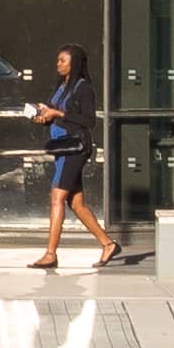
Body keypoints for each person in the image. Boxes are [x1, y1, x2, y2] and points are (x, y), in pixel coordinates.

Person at [28, 44, 118, 270]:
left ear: (74, 63)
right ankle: (108, 244)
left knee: (56, 197)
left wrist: (58, 113)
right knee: (76, 203)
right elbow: (59, 115)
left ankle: (50, 254)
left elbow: (88, 120)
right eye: (58, 60)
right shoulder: (62, 85)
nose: (58, 64)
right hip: (63, 147)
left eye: (63, 61)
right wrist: (44, 114)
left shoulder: (83, 87)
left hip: (74, 148)